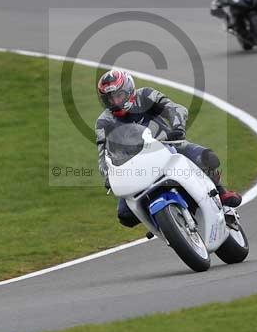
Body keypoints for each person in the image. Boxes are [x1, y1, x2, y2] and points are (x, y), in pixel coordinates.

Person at [95, 68, 242, 228]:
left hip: (168, 146)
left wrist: (178, 127)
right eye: (110, 99)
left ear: (129, 90)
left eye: (118, 95)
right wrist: (108, 177)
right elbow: (102, 154)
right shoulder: (104, 122)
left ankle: (221, 192)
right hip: (135, 166)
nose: (115, 102)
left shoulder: (145, 96)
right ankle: (161, 223)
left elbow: (175, 109)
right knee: (125, 215)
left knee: (207, 158)